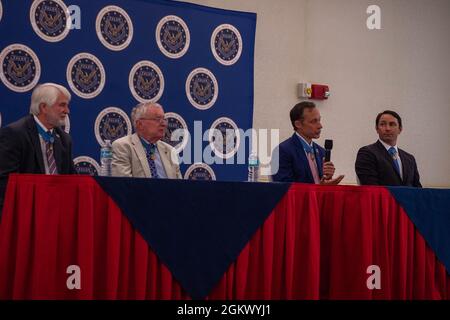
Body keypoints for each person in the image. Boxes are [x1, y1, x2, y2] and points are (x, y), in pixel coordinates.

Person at [0, 83, 76, 214]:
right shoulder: (15, 134)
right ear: (44, 107)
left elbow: (71, 179)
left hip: (57, 210)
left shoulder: (64, 139)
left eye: (67, 105)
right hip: (25, 211)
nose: (67, 111)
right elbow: (5, 182)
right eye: (62, 105)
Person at [272, 101, 344, 184]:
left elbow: (321, 182)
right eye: (314, 121)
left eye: (319, 120)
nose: (320, 126)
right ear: (298, 124)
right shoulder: (282, 151)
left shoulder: (321, 152)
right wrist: (320, 188)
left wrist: (327, 178)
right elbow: (284, 188)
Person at [112, 102, 182, 179]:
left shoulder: (170, 151)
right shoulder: (123, 146)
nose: (164, 124)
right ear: (140, 124)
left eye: (164, 119)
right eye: (158, 119)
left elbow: (179, 186)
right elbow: (124, 185)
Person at [355, 110, 421, 187]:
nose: (387, 128)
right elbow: (371, 187)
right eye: (382, 124)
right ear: (377, 129)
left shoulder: (410, 159)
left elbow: (418, 190)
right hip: (382, 199)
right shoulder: (367, 153)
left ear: (400, 129)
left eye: (392, 124)